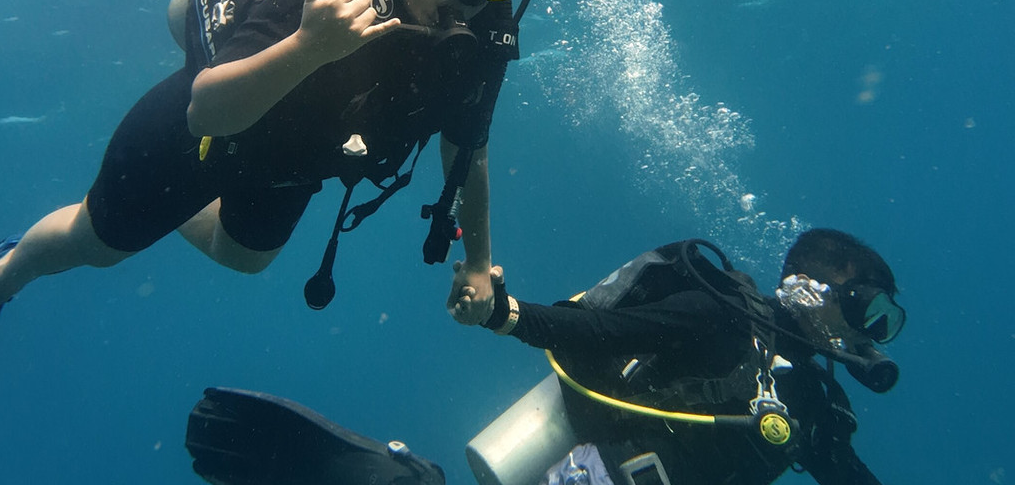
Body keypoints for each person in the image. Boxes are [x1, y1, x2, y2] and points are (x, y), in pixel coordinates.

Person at [0, 0, 536, 408]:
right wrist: (308, 47)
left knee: (245, 256)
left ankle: (163, 205)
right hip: (218, 119)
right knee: (96, 242)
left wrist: (480, 264)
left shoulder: (479, 34)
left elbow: (467, 149)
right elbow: (206, 111)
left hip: (297, 154)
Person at [184, 229, 905, 485]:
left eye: (885, 322)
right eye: (870, 308)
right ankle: (393, 476)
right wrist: (512, 317)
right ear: (813, 288)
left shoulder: (819, 405)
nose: (873, 333)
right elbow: (605, 335)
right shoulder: (724, 311)